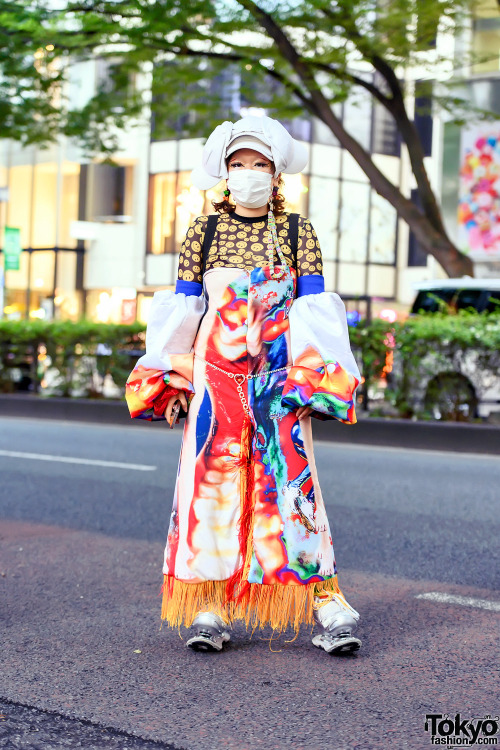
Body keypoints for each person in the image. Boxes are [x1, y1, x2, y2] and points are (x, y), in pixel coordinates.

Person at [126, 115, 362, 655]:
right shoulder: (201, 232)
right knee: (211, 486)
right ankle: (212, 604)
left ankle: (326, 601)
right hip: (215, 381)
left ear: (277, 174)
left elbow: (313, 310)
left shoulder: (298, 232)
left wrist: (317, 381)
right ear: (225, 172)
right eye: (239, 164)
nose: (250, 173)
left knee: (293, 482)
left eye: (260, 165)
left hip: (278, 379)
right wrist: (174, 380)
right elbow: (185, 313)